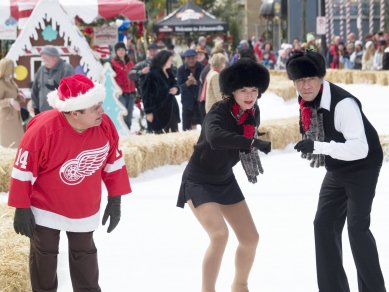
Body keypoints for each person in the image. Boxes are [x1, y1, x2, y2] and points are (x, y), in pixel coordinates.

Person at [8, 74, 132, 291]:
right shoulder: (43, 130)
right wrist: (21, 207)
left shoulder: (104, 126)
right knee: (44, 257)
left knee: (84, 256)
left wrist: (115, 199)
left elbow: (113, 161)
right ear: (75, 112)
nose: (101, 111)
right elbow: (23, 169)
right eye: (95, 108)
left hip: (84, 205)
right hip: (46, 206)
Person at [286, 51, 386, 292]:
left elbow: (360, 149)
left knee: (357, 229)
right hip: (338, 168)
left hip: (363, 166)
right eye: (299, 81)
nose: (305, 85)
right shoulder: (306, 103)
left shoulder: (343, 104)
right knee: (323, 224)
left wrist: (318, 146)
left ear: (321, 78)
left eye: (310, 79)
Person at [177, 58, 271, 292]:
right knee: (219, 235)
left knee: (250, 238)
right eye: (243, 90)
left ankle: (240, 285)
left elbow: (243, 145)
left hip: (224, 179)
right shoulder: (219, 110)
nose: (249, 96)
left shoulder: (253, 111)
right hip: (198, 180)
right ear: (232, 91)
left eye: (254, 90)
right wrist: (250, 141)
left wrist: (250, 145)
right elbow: (215, 137)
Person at [141, 50, 180, 134]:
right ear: (164, 60)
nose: (171, 61)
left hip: (172, 110)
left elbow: (175, 84)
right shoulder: (152, 75)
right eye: (170, 59)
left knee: (174, 138)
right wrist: (148, 112)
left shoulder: (169, 72)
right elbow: (146, 95)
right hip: (158, 112)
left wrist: (176, 89)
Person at [31, 46, 74, 114]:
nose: (43, 60)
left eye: (45, 58)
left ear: (55, 58)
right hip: (42, 112)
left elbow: (69, 92)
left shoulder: (66, 69)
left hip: (60, 113)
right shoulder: (41, 70)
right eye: (42, 58)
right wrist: (35, 107)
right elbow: (35, 90)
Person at [111, 42, 136, 131]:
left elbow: (134, 77)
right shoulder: (113, 63)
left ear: (125, 51)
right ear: (116, 52)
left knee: (129, 118)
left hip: (131, 94)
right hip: (121, 94)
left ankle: (128, 135)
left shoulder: (130, 63)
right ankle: (120, 136)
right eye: (119, 50)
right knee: (121, 117)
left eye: (122, 49)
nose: (121, 51)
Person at [0, 58, 25, 148]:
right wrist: (9, 101)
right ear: (5, 68)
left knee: (18, 142)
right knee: (9, 144)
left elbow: (14, 96)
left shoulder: (11, 81)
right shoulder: (1, 83)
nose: (13, 68)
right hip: (6, 118)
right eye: (11, 67)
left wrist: (19, 97)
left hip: (16, 117)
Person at [177, 49, 204, 131]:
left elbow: (205, 85)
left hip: (200, 103)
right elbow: (178, 88)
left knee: (205, 128)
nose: (191, 60)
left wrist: (196, 83)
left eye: (193, 58)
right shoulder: (181, 70)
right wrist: (187, 84)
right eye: (188, 58)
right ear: (185, 59)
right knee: (186, 129)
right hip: (187, 104)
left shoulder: (202, 68)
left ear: (196, 58)